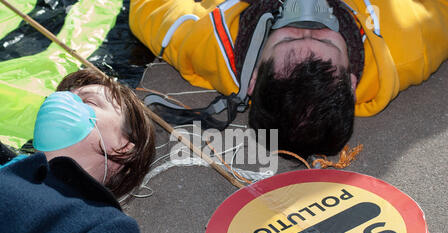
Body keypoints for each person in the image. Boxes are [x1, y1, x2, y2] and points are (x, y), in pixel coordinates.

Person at [129, 0, 448, 159]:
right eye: (326, 41)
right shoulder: (408, 44)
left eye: (285, 40)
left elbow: (148, 9)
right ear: (351, 82)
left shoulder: (213, 42)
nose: (307, 21)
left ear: (252, 79)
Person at [0, 68, 156, 233]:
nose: (61, 100)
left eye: (88, 100)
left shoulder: (104, 226)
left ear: (123, 148)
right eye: (64, 95)